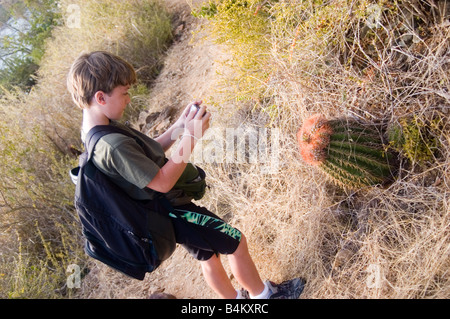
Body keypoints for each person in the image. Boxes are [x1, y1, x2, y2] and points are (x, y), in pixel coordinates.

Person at [67, 50, 305, 299]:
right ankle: (265, 296)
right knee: (235, 242)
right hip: (172, 210)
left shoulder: (96, 128)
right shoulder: (112, 144)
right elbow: (162, 181)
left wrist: (180, 126)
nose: (128, 100)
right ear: (101, 97)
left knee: (208, 254)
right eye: (124, 93)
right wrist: (191, 137)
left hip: (161, 213)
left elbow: (148, 154)